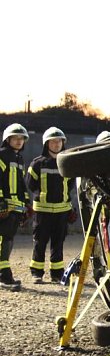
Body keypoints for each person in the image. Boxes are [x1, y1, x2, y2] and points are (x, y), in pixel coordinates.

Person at [26, 127, 76, 284]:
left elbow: (71, 185)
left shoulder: (67, 163)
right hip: (42, 211)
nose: (56, 144)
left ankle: (57, 274)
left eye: (59, 141)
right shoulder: (37, 164)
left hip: (62, 211)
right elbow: (30, 184)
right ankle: (37, 273)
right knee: (39, 242)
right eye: (53, 142)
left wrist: (68, 206)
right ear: (46, 144)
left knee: (58, 243)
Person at [0, 123, 31, 291]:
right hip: (5, 207)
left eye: (21, 138)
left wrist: (26, 204)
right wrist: (0, 201)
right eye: (15, 138)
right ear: (8, 139)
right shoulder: (2, 155)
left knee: (8, 240)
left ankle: (4, 274)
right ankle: (4, 276)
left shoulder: (19, 159)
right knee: (3, 240)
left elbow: (21, 184)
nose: (19, 141)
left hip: (15, 207)